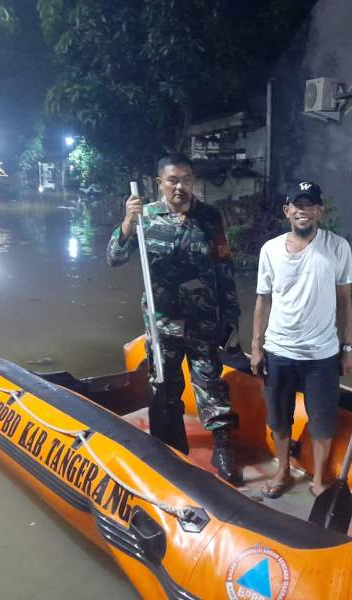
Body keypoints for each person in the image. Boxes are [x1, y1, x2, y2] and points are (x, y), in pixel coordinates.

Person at [106, 154, 243, 484]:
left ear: (193, 181)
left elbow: (224, 267)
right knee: (165, 383)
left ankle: (222, 449)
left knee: (210, 383)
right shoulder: (145, 217)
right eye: (172, 180)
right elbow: (114, 258)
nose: (180, 187)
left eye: (186, 179)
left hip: (203, 319)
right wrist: (127, 222)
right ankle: (170, 447)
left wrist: (231, 316)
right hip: (162, 320)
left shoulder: (209, 217)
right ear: (160, 183)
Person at [250, 181, 352, 499]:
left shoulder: (338, 247)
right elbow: (263, 300)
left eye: (310, 204)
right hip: (278, 350)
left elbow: (345, 302)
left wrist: (347, 347)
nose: (303, 210)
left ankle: (321, 478)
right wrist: (256, 346)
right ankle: (282, 470)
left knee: (323, 421)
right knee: (279, 418)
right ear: (287, 211)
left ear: (320, 211)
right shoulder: (269, 249)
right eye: (297, 204)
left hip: (322, 355)